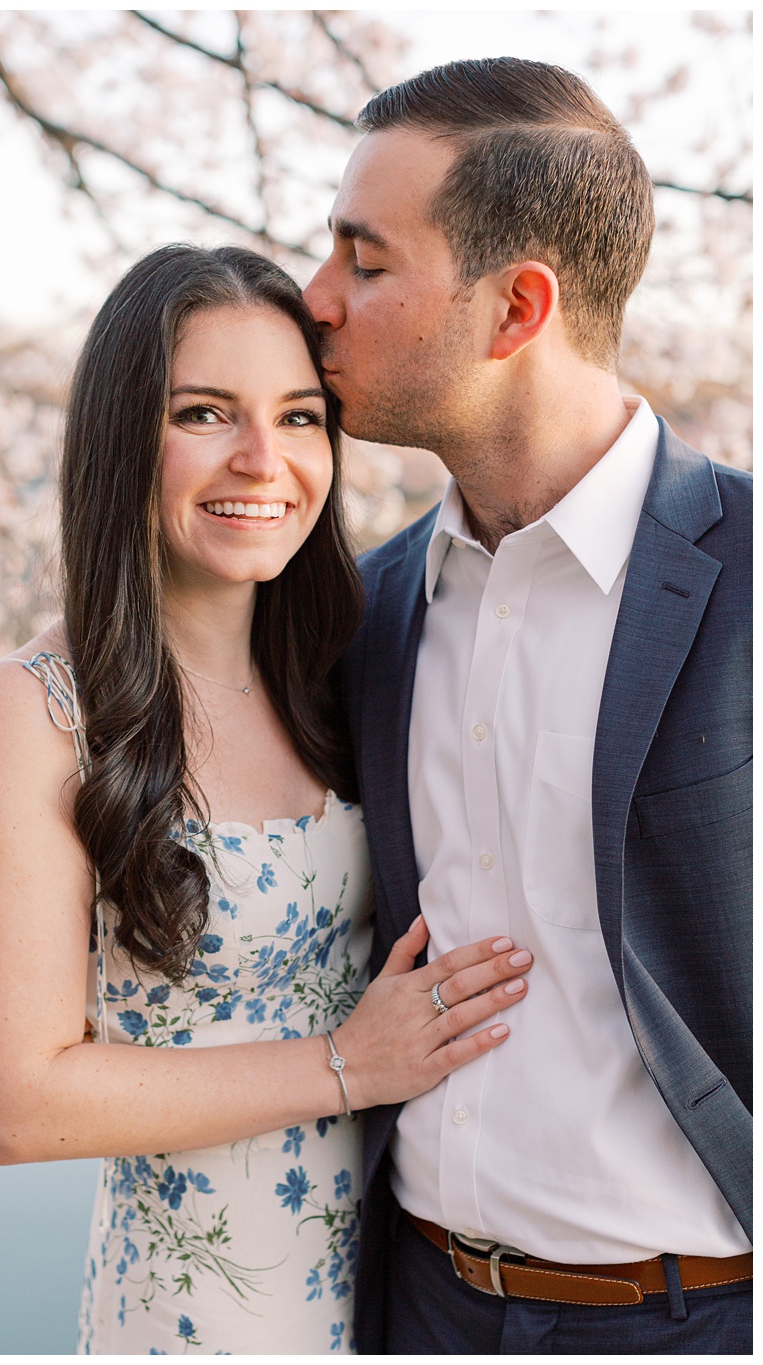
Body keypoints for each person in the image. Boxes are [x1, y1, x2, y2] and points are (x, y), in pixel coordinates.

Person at [0, 244, 538, 1354]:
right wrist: (345, 1064)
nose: (263, 460)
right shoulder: (32, 714)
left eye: (299, 417)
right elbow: (13, 1106)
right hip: (191, 1318)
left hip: (393, 1296)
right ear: (124, 437)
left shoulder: (344, 669)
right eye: (204, 414)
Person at [305, 58, 752, 1353]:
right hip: (411, 1307)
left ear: (515, 309)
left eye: (364, 261)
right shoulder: (365, 611)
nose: (315, 298)